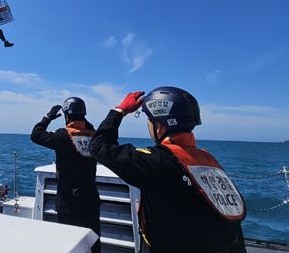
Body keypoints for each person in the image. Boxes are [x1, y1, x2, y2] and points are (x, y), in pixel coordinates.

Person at [89, 87, 247, 253]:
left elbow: (99, 147)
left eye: (150, 119)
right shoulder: (209, 161)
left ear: (159, 125)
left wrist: (119, 111)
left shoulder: (157, 162)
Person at [30, 98, 101, 252]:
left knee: (69, 244)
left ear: (66, 116)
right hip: (91, 201)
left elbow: (36, 135)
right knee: (93, 244)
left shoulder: (62, 136)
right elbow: (87, 126)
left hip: (68, 203)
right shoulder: (94, 135)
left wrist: (47, 117)